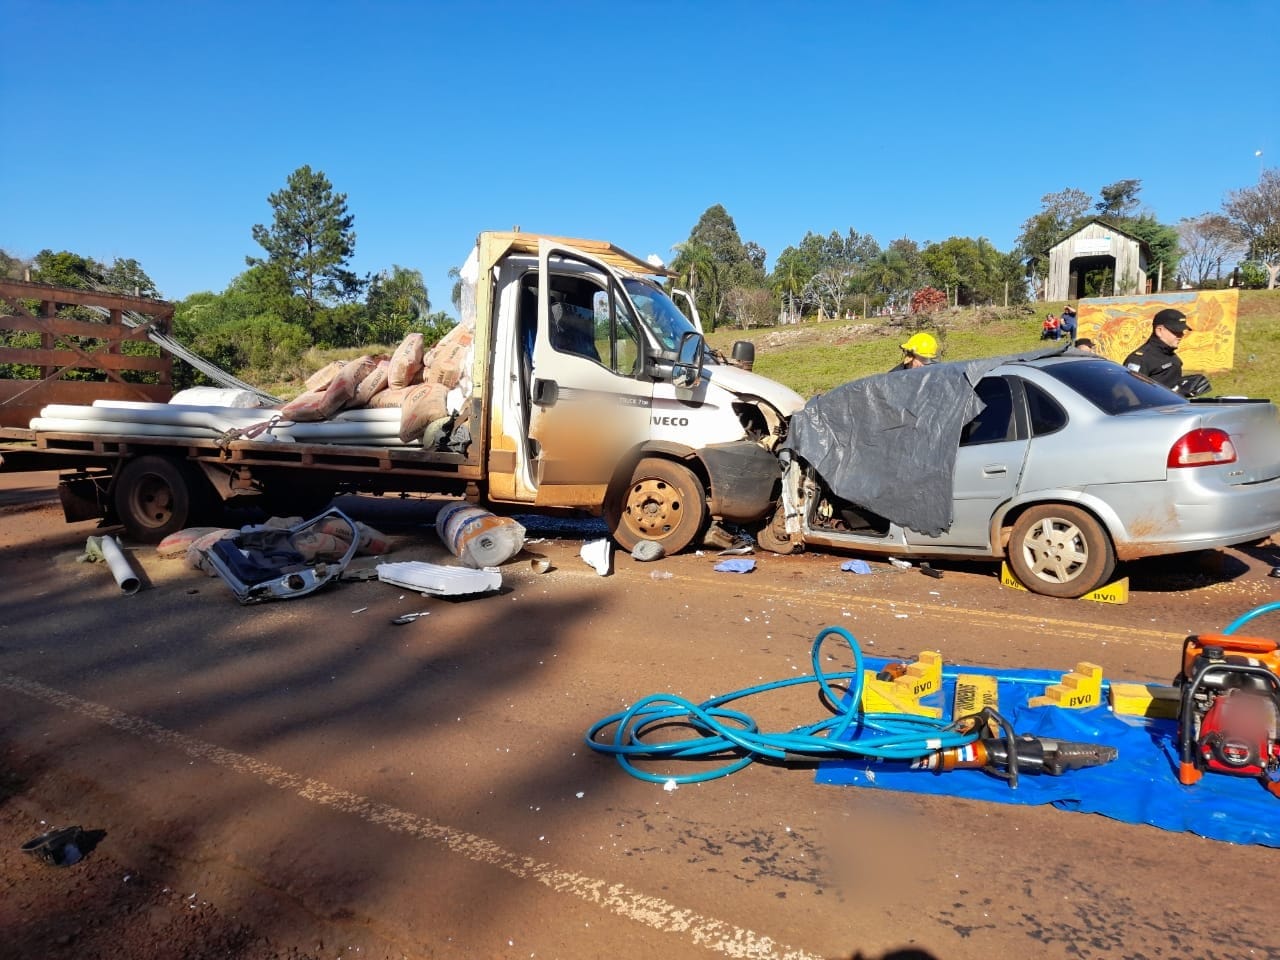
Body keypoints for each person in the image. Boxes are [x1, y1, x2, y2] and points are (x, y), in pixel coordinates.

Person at [1123, 308, 1190, 389]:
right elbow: (1131, 391)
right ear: (1159, 331)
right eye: (1176, 331)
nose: (1181, 335)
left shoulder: (1170, 355)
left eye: (1182, 331)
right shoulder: (1139, 360)